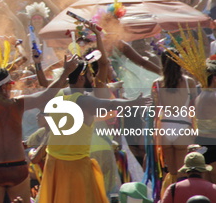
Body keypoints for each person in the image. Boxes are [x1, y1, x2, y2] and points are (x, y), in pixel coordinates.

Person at [0, 55, 79, 203]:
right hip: (17, 168)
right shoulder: (17, 104)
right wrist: (66, 72)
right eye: (10, 85)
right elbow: (47, 94)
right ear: (4, 87)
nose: (11, 88)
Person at [36, 59, 151, 203]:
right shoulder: (83, 101)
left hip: (53, 164)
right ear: (81, 78)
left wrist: (44, 66)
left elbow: (45, 88)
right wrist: (133, 103)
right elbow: (110, 104)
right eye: (90, 75)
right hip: (75, 166)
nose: (92, 79)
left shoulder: (58, 95)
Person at [153, 48, 197, 194]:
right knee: (182, 174)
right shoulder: (189, 82)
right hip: (183, 127)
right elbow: (194, 109)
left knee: (169, 173)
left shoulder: (157, 84)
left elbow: (156, 112)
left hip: (164, 128)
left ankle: (169, 197)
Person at [195, 60, 216, 183]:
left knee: (207, 183)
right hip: (213, 142)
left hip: (202, 142)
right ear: (214, 78)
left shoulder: (200, 96)